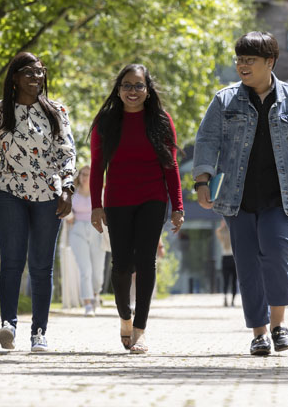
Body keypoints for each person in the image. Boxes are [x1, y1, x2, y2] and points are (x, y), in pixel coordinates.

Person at [193, 31, 288, 356]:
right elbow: (207, 140)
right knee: (248, 264)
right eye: (239, 59)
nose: (242, 65)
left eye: (249, 60)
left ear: (270, 62)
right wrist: (202, 180)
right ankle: (259, 333)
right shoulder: (224, 100)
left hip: (284, 197)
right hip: (237, 198)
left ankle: (279, 326)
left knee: (276, 256)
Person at [0, 51, 76, 353]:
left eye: (40, 72)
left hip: (48, 195)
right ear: (15, 77)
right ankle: (8, 325)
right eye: (29, 72)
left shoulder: (56, 111)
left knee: (41, 266)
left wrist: (67, 188)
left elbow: (66, 150)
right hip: (9, 193)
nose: (36, 77)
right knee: (11, 262)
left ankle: (39, 332)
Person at [89, 63, 184, 355]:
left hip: (152, 199)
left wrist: (177, 205)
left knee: (145, 262)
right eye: (127, 85)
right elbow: (97, 167)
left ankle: (140, 331)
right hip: (117, 200)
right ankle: (125, 318)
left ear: (148, 89)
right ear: (119, 90)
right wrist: (96, 205)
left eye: (139, 85)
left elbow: (171, 166)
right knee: (121, 266)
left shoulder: (161, 121)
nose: (133, 91)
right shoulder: (105, 122)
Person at [65, 165, 105, 316]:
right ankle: (87, 303)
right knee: (85, 269)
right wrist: (70, 217)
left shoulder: (99, 192)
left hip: (97, 230)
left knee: (97, 271)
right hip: (78, 230)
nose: (85, 177)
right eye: (82, 174)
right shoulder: (72, 193)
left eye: (88, 174)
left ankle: (95, 295)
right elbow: (64, 206)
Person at [216, 218, 237, 307]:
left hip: (234, 258)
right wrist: (223, 225)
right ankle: (225, 298)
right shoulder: (222, 233)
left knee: (234, 281)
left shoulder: (233, 232)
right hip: (225, 258)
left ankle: (232, 300)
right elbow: (218, 231)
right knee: (226, 280)